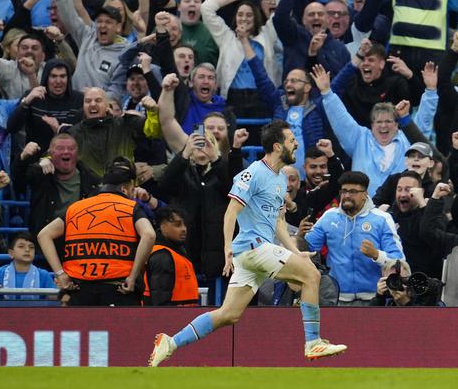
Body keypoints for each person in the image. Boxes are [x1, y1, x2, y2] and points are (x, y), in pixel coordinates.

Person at [149, 120, 347, 366]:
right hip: (252, 248)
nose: (296, 143)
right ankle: (313, 342)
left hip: (253, 255)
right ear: (277, 146)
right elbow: (231, 211)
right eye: (291, 140)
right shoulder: (252, 172)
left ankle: (171, 342)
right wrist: (227, 249)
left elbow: (278, 223)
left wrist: (295, 251)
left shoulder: (280, 179)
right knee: (312, 276)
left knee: (228, 314)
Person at [37, 161, 156, 307]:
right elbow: (149, 235)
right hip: (118, 290)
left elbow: (43, 235)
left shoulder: (75, 208)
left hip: (79, 292)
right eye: (132, 190)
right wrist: (133, 276)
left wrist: (60, 274)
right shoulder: (131, 208)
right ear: (125, 189)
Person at [301, 170, 406, 305]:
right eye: (344, 191)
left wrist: (376, 254)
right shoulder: (329, 217)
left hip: (375, 299)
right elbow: (307, 249)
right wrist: (299, 236)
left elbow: (399, 261)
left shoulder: (382, 219)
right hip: (336, 298)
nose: (347, 196)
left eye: (353, 192)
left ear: (364, 194)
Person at [144, 206, 200, 307]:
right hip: (172, 318)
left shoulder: (175, 252)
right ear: (163, 227)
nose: (184, 229)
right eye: (177, 225)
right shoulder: (162, 256)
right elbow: (160, 300)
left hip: (183, 316)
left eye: (184, 225)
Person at [0, 232, 56, 300]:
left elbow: (54, 300)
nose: (27, 250)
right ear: (11, 253)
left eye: (31, 247)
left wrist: (59, 291)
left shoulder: (44, 275)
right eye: (21, 246)